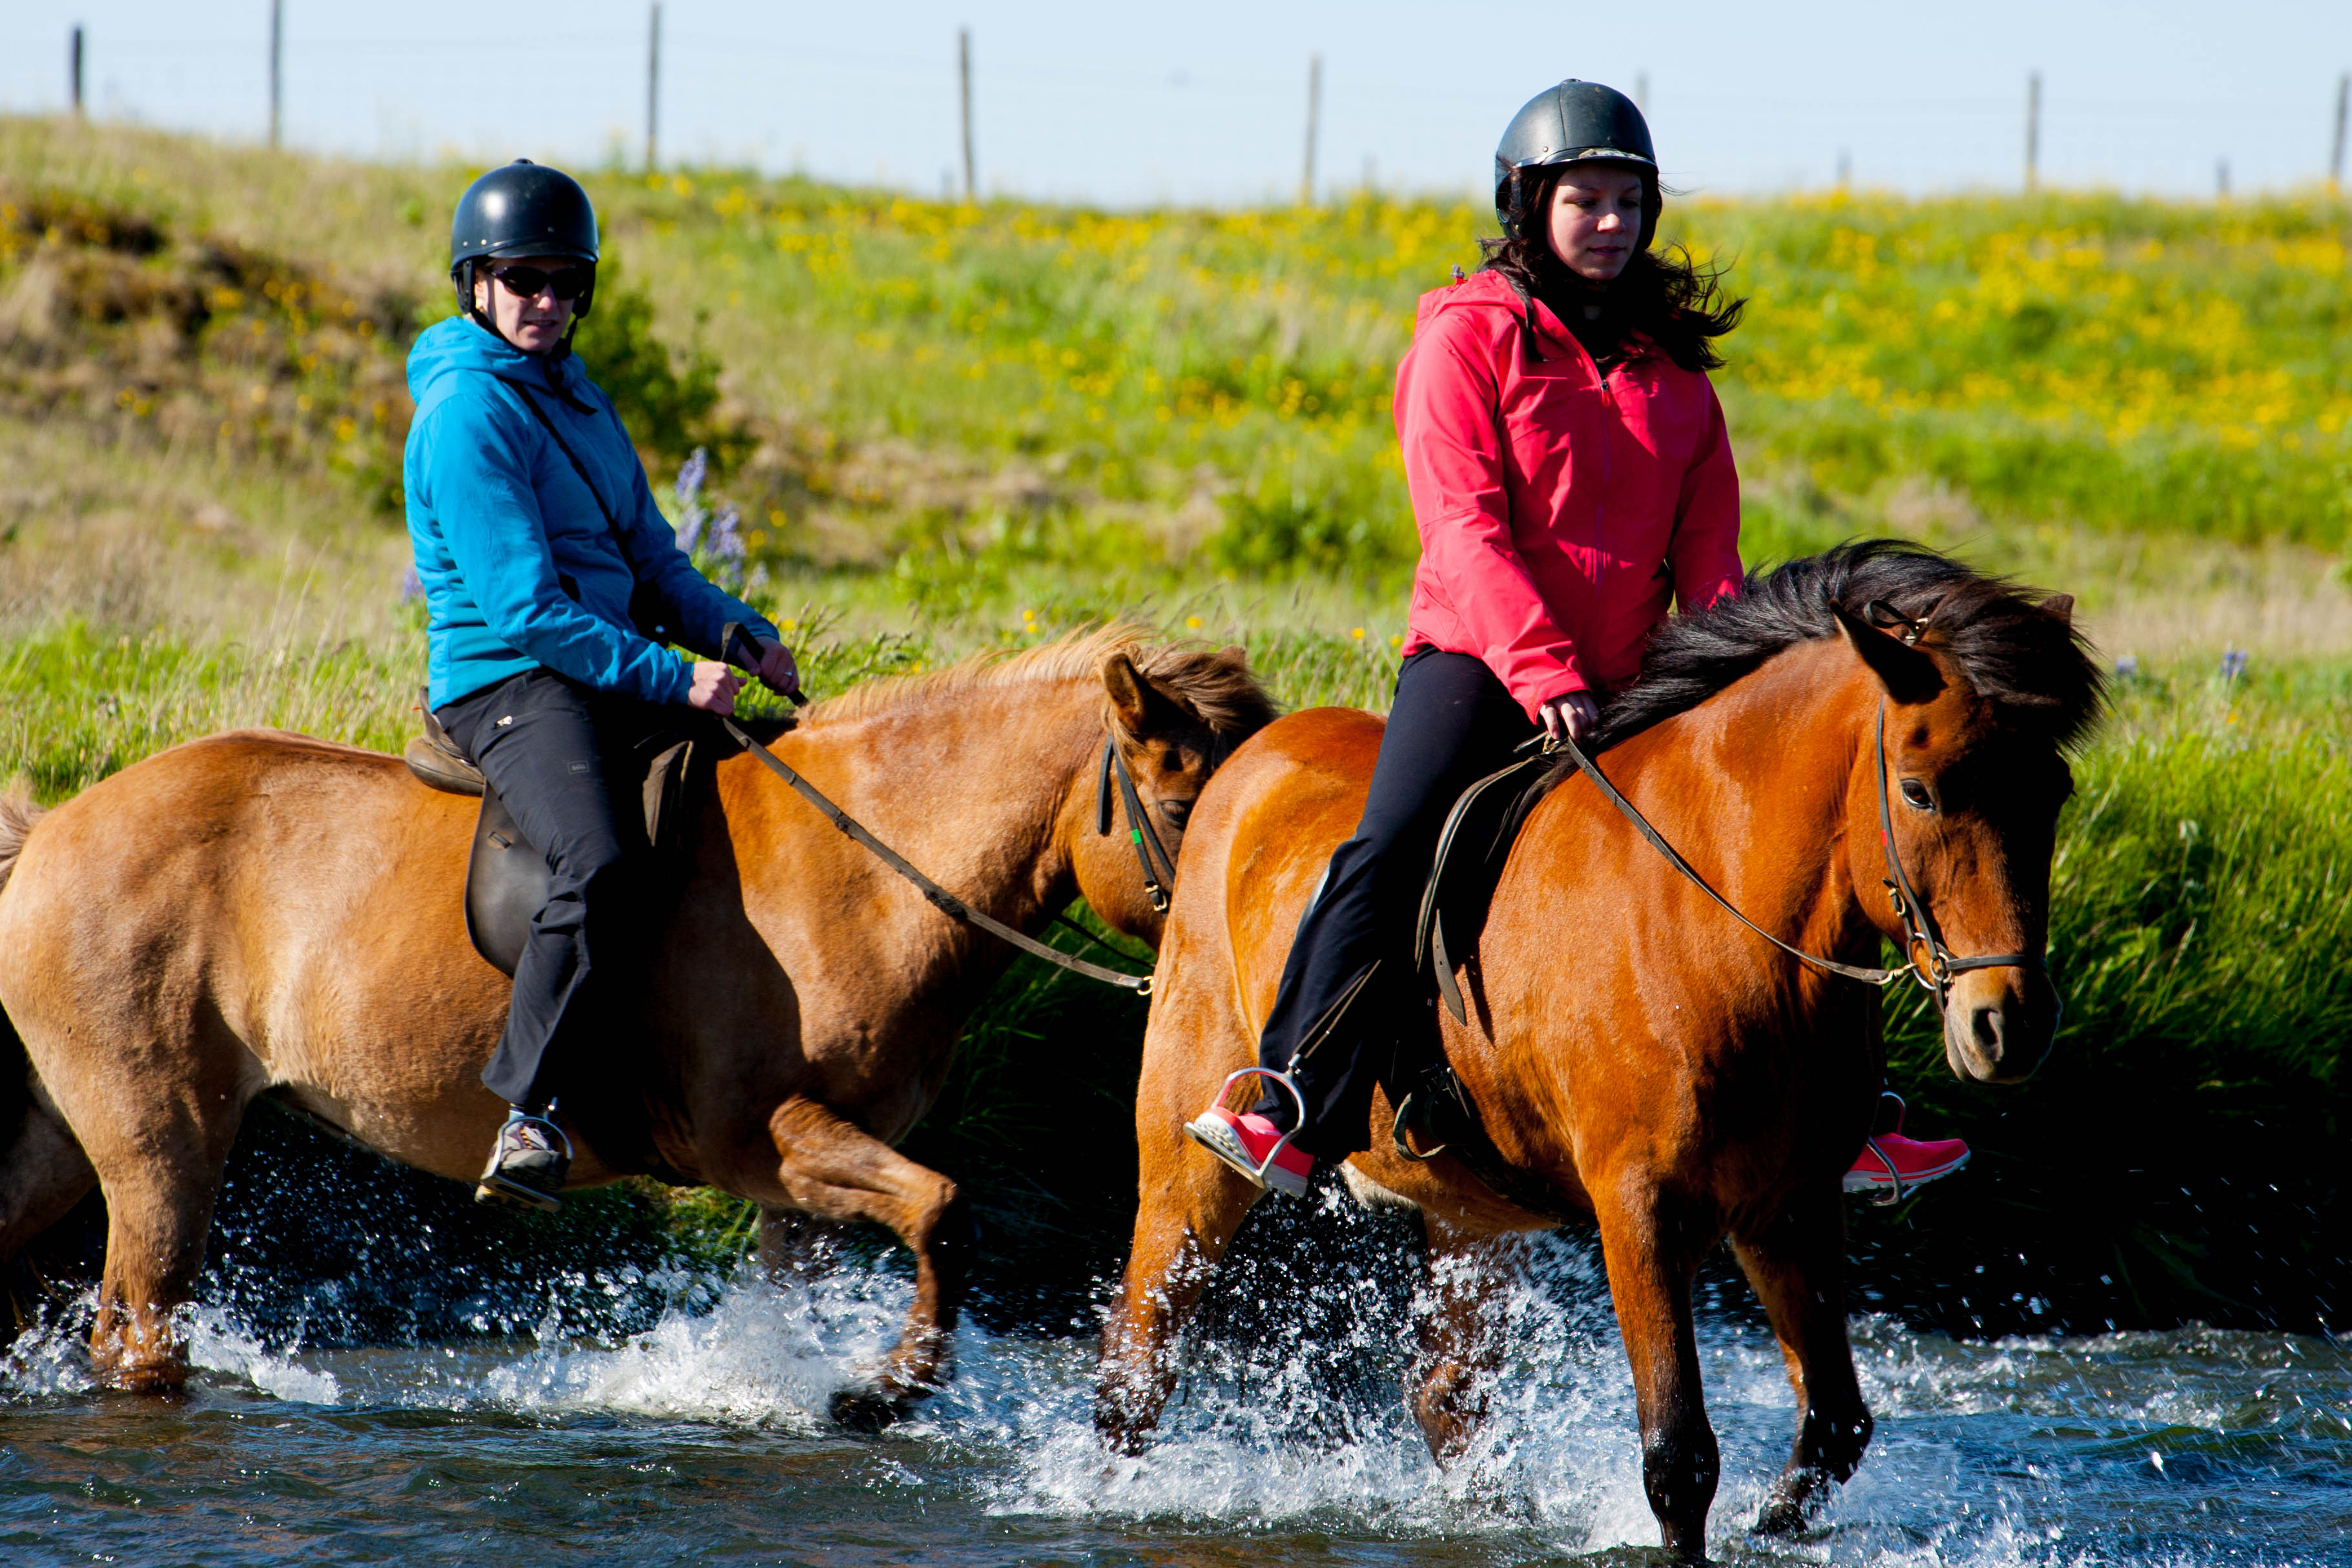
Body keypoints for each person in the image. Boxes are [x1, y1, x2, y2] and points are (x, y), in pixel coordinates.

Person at [1184, 81, 1968, 1201]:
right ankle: (1291, 1104)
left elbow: (1709, 561)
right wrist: (1542, 668)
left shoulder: (1677, 375)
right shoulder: (1465, 340)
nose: (1609, 221)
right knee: (1391, 845)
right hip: (1477, 659)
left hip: (1639, 674)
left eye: (1627, 201)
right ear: (1527, 203)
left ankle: (1848, 1122)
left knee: (1802, 843)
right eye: (1584, 199)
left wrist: (1723, 682)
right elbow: (1461, 531)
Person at [404, 160, 800, 1212]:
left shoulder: (579, 399)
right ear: (475, 284)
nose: (545, 301)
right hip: (511, 683)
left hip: (606, 666)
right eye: (523, 279)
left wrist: (735, 629)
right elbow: (526, 610)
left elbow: (653, 560)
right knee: (602, 859)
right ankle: (530, 1110)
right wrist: (674, 674)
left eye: (565, 283)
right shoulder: (463, 417)